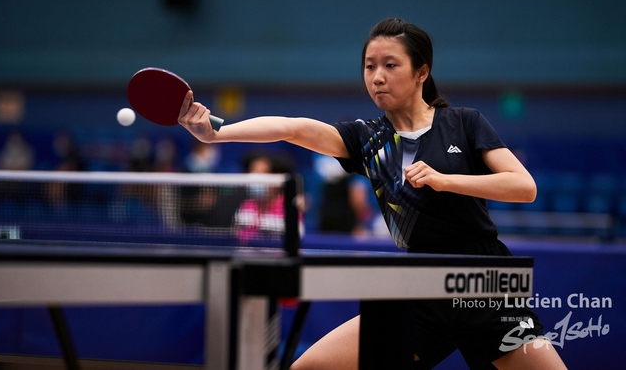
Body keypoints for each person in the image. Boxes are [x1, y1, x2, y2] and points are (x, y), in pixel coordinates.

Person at [178, 18, 567, 370]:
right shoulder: (367, 139)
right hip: (419, 285)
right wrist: (217, 132)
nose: (377, 76)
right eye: (370, 66)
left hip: (482, 285)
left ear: (422, 72)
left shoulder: (463, 123)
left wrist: (447, 181)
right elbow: (291, 128)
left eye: (390, 65)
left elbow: (524, 187)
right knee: (307, 369)